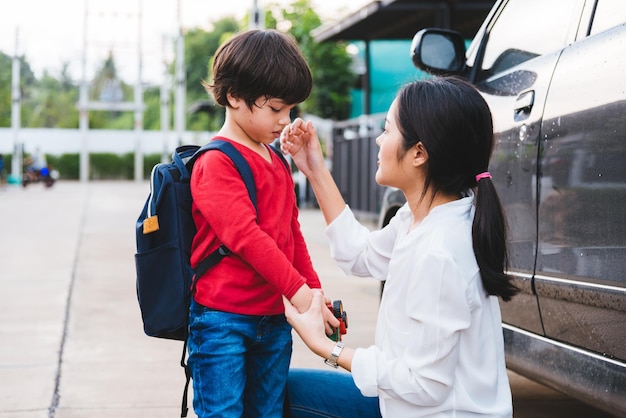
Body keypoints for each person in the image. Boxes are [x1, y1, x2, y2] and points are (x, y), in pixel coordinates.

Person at [280, 76, 519, 417]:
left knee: (270, 393)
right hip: (403, 406)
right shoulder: (420, 218)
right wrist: (315, 167)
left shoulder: (440, 252)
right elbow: (357, 254)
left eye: (387, 130)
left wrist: (326, 348)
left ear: (419, 153)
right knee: (274, 386)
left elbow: (423, 384)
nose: (378, 139)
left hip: (431, 409)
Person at [187, 29, 338, 418]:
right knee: (223, 413)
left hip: (272, 321)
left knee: (268, 412)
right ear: (234, 96)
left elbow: (291, 234)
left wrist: (315, 293)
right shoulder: (215, 162)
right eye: (275, 109)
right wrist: (302, 297)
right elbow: (247, 238)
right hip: (222, 322)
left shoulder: (277, 161)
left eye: (289, 110)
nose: (284, 121)